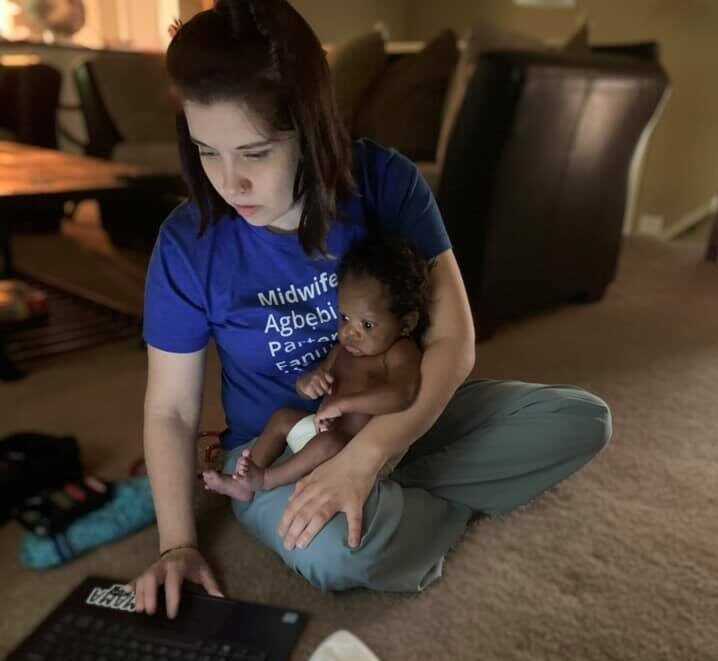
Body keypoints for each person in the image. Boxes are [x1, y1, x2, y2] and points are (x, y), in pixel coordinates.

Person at [128, 0, 612, 619]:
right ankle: (425, 502)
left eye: (255, 152)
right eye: (206, 151)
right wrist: (177, 544)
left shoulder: (385, 181)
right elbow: (171, 408)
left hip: (399, 413)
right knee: (338, 555)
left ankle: (391, 496)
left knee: (580, 420)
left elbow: (453, 341)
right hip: (281, 450)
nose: (230, 183)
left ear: (310, 128)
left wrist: (368, 455)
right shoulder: (188, 242)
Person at [201, 235, 428, 501]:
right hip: (321, 435)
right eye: (344, 317)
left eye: (367, 325)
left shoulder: (398, 351)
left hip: (355, 451)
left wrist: (344, 404)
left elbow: (402, 395)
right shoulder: (342, 350)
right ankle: (243, 483)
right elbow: (311, 383)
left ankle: (267, 479)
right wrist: (308, 384)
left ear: (406, 323)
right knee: (283, 417)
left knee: (329, 442)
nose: (349, 333)